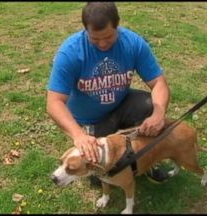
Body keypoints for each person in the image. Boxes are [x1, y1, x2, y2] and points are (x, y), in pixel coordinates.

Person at [46, 2, 171, 185]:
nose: (103, 44)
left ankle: (147, 160)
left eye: (109, 36)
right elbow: (54, 102)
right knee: (101, 176)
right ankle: (123, 160)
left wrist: (159, 113)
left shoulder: (134, 43)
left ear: (117, 24)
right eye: (95, 39)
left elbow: (158, 82)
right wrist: (79, 136)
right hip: (90, 123)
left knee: (149, 106)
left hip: (120, 106)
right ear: (85, 30)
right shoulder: (70, 52)